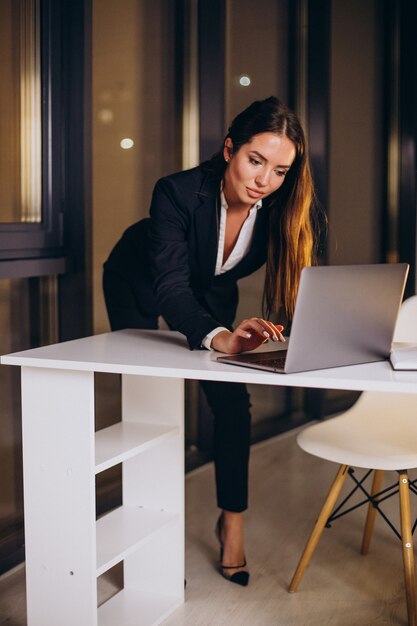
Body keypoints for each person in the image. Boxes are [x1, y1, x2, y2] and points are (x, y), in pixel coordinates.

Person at [103, 96, 318, 587]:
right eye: (255, 161)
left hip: (210, 289)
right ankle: (149, 546)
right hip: (140, 279)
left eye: (280, 170)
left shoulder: (279, 206)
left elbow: (300, 276)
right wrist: (218, 337)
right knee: (150, 398)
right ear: (229, 150)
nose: (264, 180)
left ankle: (231, 521)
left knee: (231, 403)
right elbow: (171, 287)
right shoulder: (177, 191)